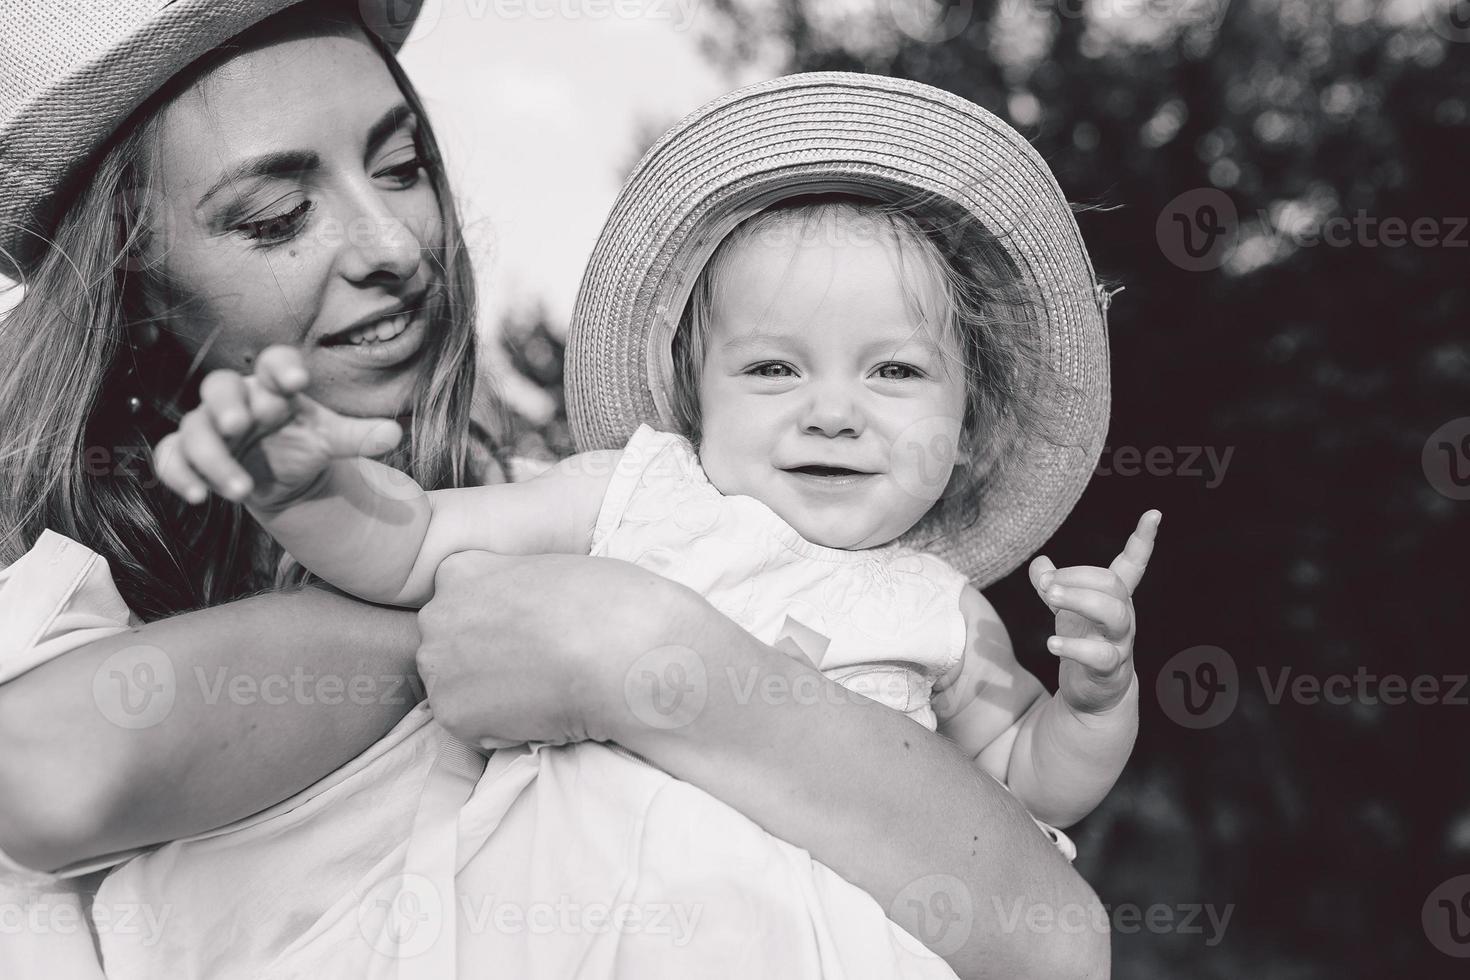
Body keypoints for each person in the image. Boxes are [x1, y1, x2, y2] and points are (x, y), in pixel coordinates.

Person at [0, 6, 1107, 980]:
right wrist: (539, 622)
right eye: (277, 215)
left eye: (400, 167)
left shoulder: (578, 519)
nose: (395, 242)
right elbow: (57, 772)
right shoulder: (604, 532)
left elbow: (1058, 938)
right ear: (130, 286)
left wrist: (641, 647)